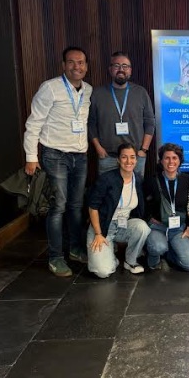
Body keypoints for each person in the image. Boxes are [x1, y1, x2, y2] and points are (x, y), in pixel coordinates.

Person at [23, 46, 92, 277]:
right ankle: (55, 257)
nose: (76, 66)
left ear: (86, 66)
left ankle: (75, 248)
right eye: (71, 62)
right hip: (55, 155)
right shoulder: (50, 88)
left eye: (81, 62)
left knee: (76, 205)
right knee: (58, 206)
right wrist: (31, 157)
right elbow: (33, 123)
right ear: (63, 65)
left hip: (80, 156)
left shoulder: (88, 90)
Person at [88, 51, 155, 179]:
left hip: (135, 157)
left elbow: (150, 122)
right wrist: (98, 148)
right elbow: (91, 124)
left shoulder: (141, 93)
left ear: (130, 70)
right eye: (117, 65)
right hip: (107, 156)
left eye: (125, 66)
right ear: (110, 69)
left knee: (134, 190)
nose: (121, 69)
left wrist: (143, 150)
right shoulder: (98, 94)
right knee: (107, 190)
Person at [87, 143, 150, 278]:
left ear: (136, 160)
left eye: (132, 157)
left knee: (142, 227)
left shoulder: (138, 179)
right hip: (103, 226)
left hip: (123, 225)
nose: (128, 161)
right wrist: (98, 233)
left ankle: (130, 261)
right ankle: (111, 257)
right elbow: (93, 207)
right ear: (118, 160)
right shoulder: (106, 179)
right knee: (103, 272)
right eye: (124, 157)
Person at [144, 143, 189, 272]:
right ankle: (154, 255)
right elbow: (143, 205)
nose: (171, 162)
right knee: (158, 247)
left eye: (174, 158)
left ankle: (168, 255)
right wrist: (149, 219)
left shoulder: (187, 180)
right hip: (157, 227)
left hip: (178, 229)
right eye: (167, 158)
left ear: (180, 160)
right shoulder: (151, 181)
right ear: (161, 161)